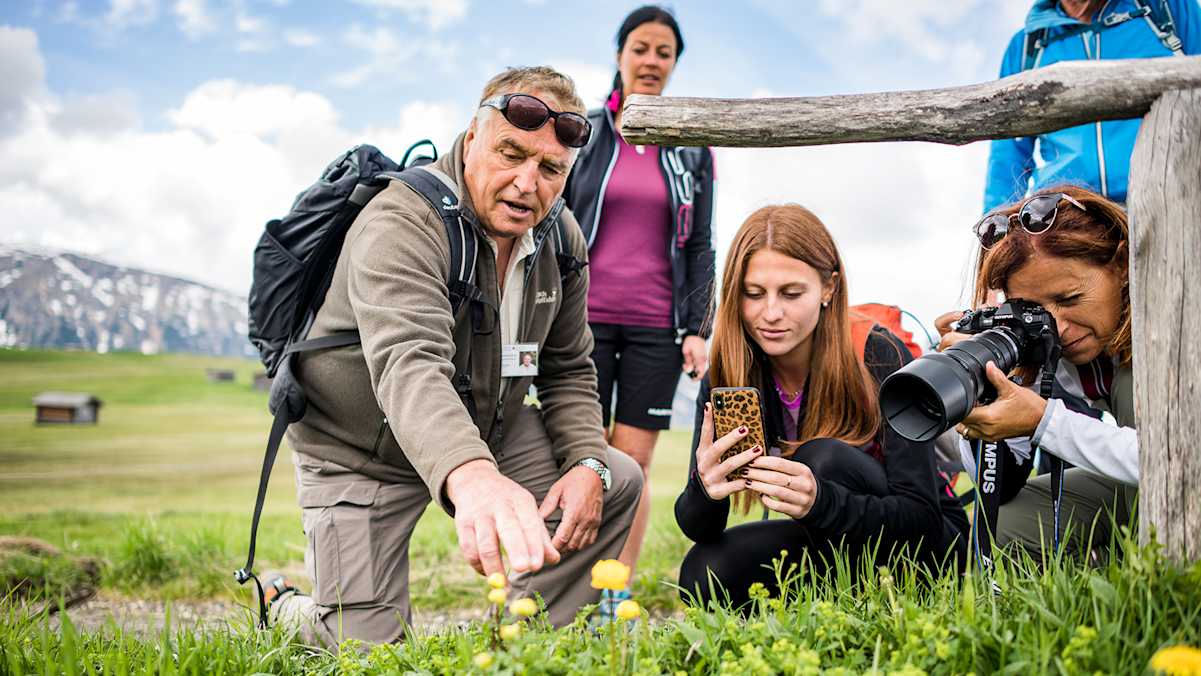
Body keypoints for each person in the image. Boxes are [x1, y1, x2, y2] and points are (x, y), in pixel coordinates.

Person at [266, 66, 642, 647]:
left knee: (613, 479)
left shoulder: (561, 238)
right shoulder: (401, 220)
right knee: (369, 650)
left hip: (486, 424)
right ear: (472, 139)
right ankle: (283, 608)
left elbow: (568, 368)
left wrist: (587, 462)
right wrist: (473, 476)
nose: (527, 183)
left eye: (550, 169)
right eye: (511, 154)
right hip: (360, 448)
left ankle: (529, 643)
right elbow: (409, 363)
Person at [674, 205, 968, 610]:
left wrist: (821, 502)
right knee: (703, 572)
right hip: (830, 541)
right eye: (753, 294)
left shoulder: (877, 354)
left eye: (792, 294)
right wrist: (705, 487)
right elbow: (699, 528)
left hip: (927, 547)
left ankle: (865, 602)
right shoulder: (728, 373)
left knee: (822, 458)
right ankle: (837, 605)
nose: (771, 313)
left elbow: (922, 519)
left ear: (829, 288)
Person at [563, 5, 717, 586]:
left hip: (656, 329)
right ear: (619, 54)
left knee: (632, 464)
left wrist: (698, 327)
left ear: (675, 64)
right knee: (583, 456)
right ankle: (570, 584)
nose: (651, 61)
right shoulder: (583, 132)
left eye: (664, 52)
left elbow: (700, 242)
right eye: (641, 48)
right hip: (581, 323)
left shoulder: (693, 148)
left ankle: (616, 591)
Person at [939, 185, 1138, 558]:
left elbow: (1177, 461)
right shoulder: (1051, 341)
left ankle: (1159, 571)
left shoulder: (1175, 324)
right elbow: (1000, 487)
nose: (1058, 328)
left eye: (1069, 298)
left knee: (1131, 388)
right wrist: (982, 386)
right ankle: (1103, 573)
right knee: (1003, 524)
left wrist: (1045, 421)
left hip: (1179, 477)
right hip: (1139, 476)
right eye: (1035, 311)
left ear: (1122, 264)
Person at [983, 0, 1200, 212]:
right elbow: (1007, 156)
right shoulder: (1025, 47)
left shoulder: (1165, 7)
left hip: (1167, 199)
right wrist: (995, 223)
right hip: (1068, 213)